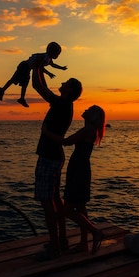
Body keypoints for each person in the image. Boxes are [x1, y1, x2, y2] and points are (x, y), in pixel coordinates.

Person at [31, 63, 82, 261]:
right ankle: (62, 240)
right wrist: (40, 68)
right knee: (56, 201)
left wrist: (35, 66)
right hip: (55, 157)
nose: (62, 82)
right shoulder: (64, 104)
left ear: (70, 90)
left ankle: (54, 247)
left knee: (47, 203)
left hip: (48, 157)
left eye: (66, 82)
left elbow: (37, 86)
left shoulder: (62, 104)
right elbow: (42, 85)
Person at [43, 105, 106, 254]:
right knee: (81, 208)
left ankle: (95, 231)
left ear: (93, 116)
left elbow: (66, 141)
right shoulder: (91, 131)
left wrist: (46, 132)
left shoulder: (87, 131)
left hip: (78, 171)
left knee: (67, 210)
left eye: (89, 109)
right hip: (82, 169)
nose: (85, 109)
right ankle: (84, 244)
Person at [0, 42, 67, 107]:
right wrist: (49, 73)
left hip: (28, 68)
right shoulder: (46, 58)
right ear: (53, 53)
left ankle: (22, 98)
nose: (58, 55)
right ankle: (2, 89)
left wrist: (61, 68)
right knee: (14, 79)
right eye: (57, 53)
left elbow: (53, 65)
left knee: (25, 83)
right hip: (24, 66)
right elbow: (40, 67)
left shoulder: (49, 59)